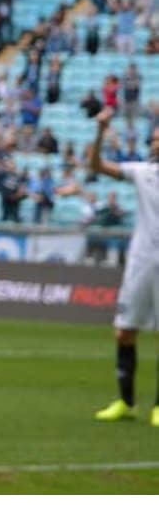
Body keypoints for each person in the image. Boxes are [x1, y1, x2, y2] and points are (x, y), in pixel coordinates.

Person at [91, 107, 159, 426]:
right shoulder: (142, 171)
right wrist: (100, 131)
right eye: (154, 139)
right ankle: (125, 401)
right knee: (124, 332)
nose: (155, 143)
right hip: (141, 262)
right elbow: (97, 166)